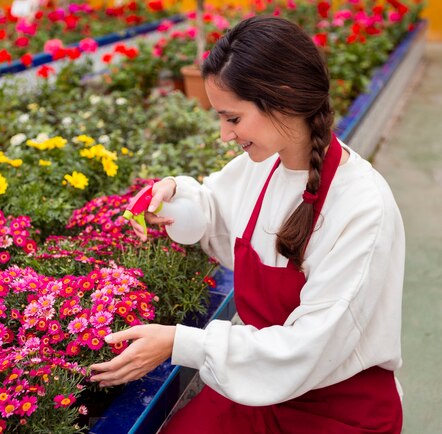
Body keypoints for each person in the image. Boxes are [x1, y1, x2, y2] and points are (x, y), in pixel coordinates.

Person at [89, 15, 404, 433]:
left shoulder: (363, 206)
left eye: (232, 118)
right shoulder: (262, 167)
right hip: (259, 391)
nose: (223, 135)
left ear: (284, 98)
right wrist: (174, 196)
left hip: (337, 411)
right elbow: (215, 212)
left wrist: (180, 342)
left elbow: (306, 350)